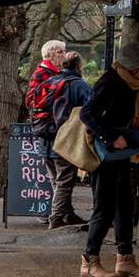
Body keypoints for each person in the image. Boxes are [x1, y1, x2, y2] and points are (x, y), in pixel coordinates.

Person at [79, 43, 139, 277]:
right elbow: (87, 113)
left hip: (121, 155)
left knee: (125, 205)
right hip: (105, 156)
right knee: (105, 208)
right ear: (132, 66)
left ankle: (125, 259)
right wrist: (112, 137)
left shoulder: (132, 84)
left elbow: (131, 115)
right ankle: (89, 261)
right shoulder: (110, 81)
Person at [46, 51, 92, 231]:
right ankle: (56, 218)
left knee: (56, 180)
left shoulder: (50, 82)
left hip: (46, 138)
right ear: (78, 66)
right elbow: (91, 110)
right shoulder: (79, 85)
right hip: (66, 139)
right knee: (65, 180)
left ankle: (67, 213)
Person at [25, 39, 67, 128]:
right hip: (46, 124)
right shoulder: (42, 73)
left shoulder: (56, 72)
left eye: (64, 51)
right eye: (60, 52)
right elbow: (29, 101)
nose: (64, 55)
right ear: (49, 55)